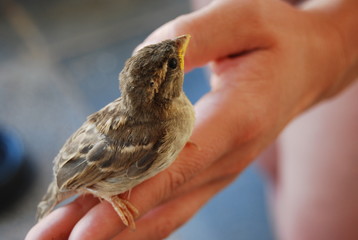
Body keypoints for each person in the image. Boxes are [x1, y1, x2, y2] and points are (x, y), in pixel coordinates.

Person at [26, 0, 358, 239]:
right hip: (83, 172)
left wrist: (338, 41)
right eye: (174, 64)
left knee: (319, 222)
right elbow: (90, 168)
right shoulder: (152, 132)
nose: (181, 46)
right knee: (269, 155)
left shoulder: (166, 117)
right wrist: (107, 194)